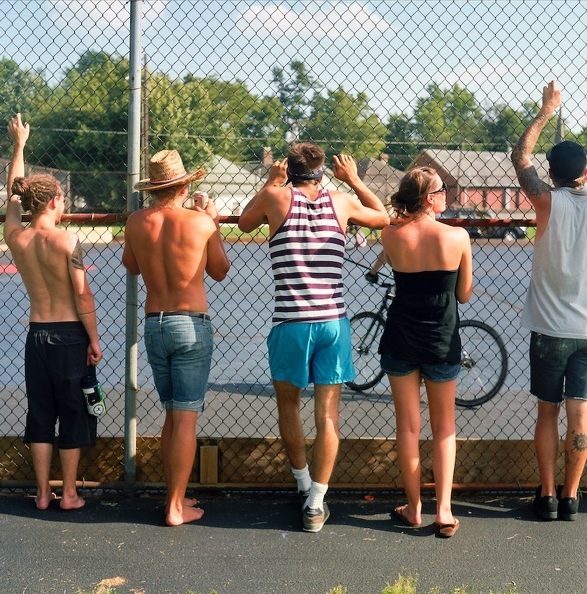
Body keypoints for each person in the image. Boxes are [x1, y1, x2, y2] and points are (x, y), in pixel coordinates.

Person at [238, 143, 390, 532]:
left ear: (290, 168)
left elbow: (242, 223)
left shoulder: (275, 197)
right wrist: (354, 179)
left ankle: (303, 484)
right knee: (327, 415)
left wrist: (272, 181)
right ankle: (316, 502)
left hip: (290, 322)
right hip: (332, 323)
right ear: (323, 170)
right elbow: (383, 217)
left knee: (289, 409)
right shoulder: (341, 202)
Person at [122, 149, 230, 526]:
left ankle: (175, 496)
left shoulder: (136, 222)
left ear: (153, 188)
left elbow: (132, 265)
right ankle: (175, 507)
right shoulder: (201, 224)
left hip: (156, 323)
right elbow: (220, 271)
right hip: (191, 323)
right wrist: (211, 222)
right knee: (185, 419)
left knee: (171, 415)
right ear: (184, 185)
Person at [4, 113, 103, 511]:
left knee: (40, 413)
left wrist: (19, 146)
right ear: (55, 200)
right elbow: (83, 297)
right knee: (74, 411)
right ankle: (70, 494)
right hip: (68, 336)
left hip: (36, 337)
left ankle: (43, 493)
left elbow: (13, 193)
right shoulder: (69, 241)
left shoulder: (17, 237)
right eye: (61, 197)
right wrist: (93, 339)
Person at [377, 166, 472, 537]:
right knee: (444, 426)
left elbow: (390, 222)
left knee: (408, 426)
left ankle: (413, 507)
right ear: (430, 198)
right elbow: (463, 295)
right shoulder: (458, 236)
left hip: (400, 336)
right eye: (442, 189)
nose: (447, 193)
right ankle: (444, 510)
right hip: (441, 340)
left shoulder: (390, 235)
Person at [511, 80, 587, 521]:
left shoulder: (546, 202)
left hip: (550, 329)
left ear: (552, 173)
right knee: (580, 413)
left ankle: (546, 494)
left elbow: (521, 158)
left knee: (547, 412)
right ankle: (572, 495)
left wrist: (545, 111)